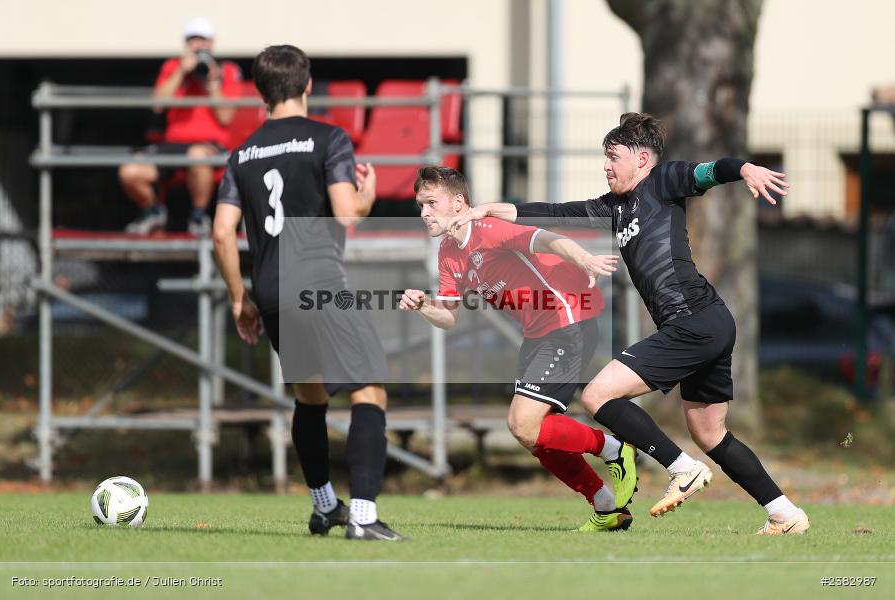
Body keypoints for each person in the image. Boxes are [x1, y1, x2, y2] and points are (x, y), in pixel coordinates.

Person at [450, 113, 810, 535]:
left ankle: (681, 469)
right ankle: (785, 513)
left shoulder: (663, 181)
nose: (606, 166)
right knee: (709, 432)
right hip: (706, 323)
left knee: (599, 395)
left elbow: (712, 171)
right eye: (605, 157)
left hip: (694, 320)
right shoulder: (614, 206)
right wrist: (493, 209)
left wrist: (744, 168)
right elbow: (557, 211)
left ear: (642, 159)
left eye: (613, 157)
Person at [212, 44, 403, 541]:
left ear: (260, 92)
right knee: (370, 390)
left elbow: (220, 233)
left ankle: (324, 508)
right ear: (308, 85)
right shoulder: (329, 138)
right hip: (318, 282)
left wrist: (239, 297)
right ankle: (362, 517)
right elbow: (345, 212)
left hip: (271, 288)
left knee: (310, 395)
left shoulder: (242, 154)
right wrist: (367, 197)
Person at [400, 166, 638, 532]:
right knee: (533, 436)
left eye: (431, 203)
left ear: (459, 203)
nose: (424, 213)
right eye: (420, 205)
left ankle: (614, 449)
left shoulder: (488, 229)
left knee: (523, 424)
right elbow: (448, 318)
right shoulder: (448, 251)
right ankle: (607, 506)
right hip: (537, 334)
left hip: (567, 319)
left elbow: (546, 239)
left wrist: (584, 259)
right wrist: (423, 306)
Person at [120, 17, 241, 236]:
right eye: (193, 40)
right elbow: (157, 105)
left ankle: (198, 216)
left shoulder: (227, 70)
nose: (198, 45)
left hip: (208, 146)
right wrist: (181, 73)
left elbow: (226, 117)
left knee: (197, 156)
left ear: (212, 43)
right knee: (130, 171)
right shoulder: (172, 66)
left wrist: (211, 82)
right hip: (172, 144)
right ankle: (153, 212)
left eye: (203, 40)